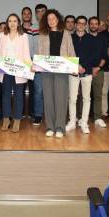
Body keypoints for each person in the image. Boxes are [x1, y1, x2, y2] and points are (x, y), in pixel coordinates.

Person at [38, 9, 75, 138]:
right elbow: (39, 53)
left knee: (61, 98)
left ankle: (60, 127)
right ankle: (50, 126)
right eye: (49, 19)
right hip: (46, 71)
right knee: (48, 99)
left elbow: (71, 53)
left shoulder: (66, 34)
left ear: (58, 20)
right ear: (46, 21)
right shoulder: (42, 35)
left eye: (54, 18)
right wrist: (35, 64)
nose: (51, 21)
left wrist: (75, 67)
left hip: (62, 71)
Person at [66, 16, 106, 134]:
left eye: (84, 23)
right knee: (72, 98)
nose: (81, 25)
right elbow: (67, 54)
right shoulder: (70, 38)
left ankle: (84, 122)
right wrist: (75, 67)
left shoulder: (91, 39)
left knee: (86, 98)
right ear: (76, 24)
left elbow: (94, 56)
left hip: (87, 72)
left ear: (86, 25)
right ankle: (72, 121)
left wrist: (84, 67)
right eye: (79, 23)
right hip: (73, 72)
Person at [0, 14, 32, 133]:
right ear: (7, 23)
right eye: (10, 21)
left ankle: (17, 120)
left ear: (18, 23)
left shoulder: (24, 36)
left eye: (15, 21)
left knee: (18, 96)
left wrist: (30, 67)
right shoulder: (2, 35)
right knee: (5, 95)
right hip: (5, 71)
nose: (12, 23)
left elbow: (26, 54)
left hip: (19, 71)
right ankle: (6, 119)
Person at [24, 3, 46, 125]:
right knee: (38, 91)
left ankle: (51, 114)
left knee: (51, 91)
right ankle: (38, 115)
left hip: (52, 65)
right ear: (36, 14)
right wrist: (33, 62)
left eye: (43, 11)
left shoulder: (53, 26)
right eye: (38, 11)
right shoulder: (32, 29)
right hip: (37, 64)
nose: (41, 13)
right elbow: (30, 48)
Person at [88, 16, 108, 128]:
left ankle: (97, 118)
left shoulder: (103, 39)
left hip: (99, 70)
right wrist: (90, 69)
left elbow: (105, 56)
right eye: (92, 23)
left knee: (98, 95)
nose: (94, 25)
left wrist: (98, 68)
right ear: (88, 25)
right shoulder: (85, 37)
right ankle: (81, 117)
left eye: (96, 23)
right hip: (85, 71)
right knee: (83, 96)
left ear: (98, 25)